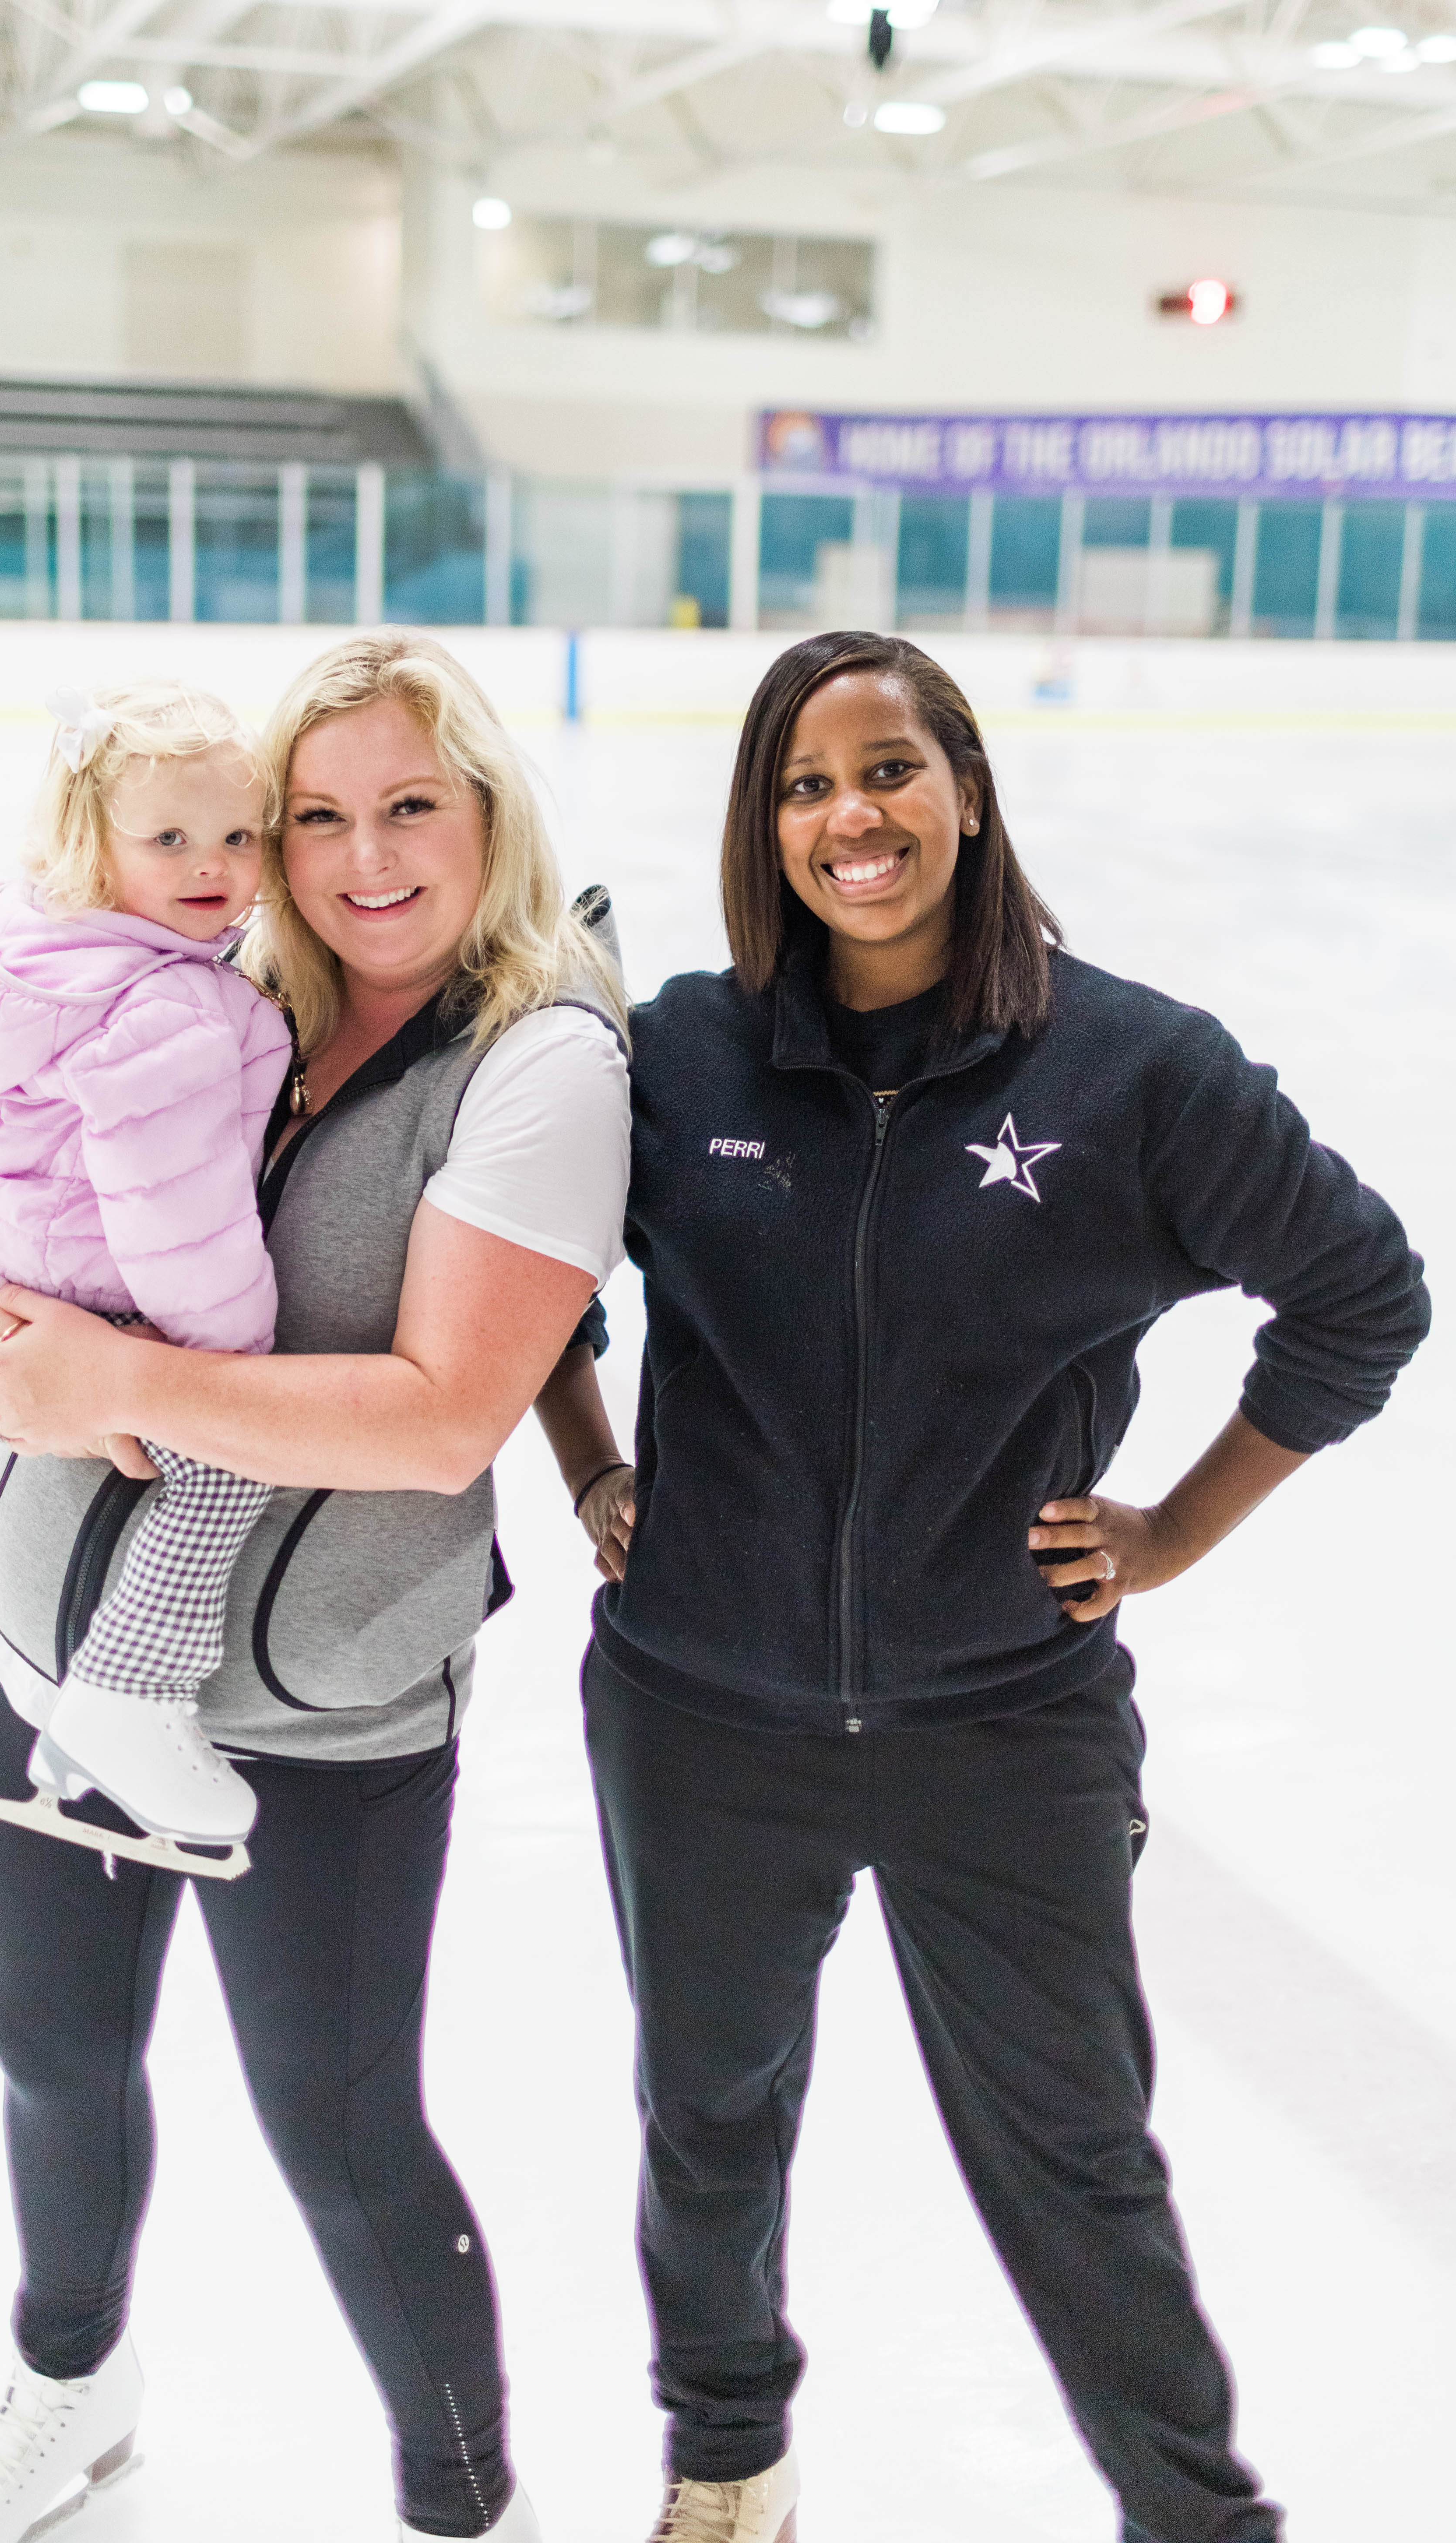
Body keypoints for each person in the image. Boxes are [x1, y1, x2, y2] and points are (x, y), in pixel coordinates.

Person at [540, 630, 1430, 2543]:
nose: (844, 818)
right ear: (757, 823)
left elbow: (1360, 1294)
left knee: (1074, 2160)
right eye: (799, 784)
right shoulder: (678, 1051)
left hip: (1000, 1729)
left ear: (964, 785)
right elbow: (514, 1264)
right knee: (707, 2129)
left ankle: (1191, 2518)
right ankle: (725, 2467)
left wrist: (1172, 1531)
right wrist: (594, 1462)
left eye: (882, 771)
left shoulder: (1132, 1074)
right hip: (699, 1719)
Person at [0, 633, 630, 2543]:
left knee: (340, 2129)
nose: (360, 856)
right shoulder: (212, 980)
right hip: (55, 1640)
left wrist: (121, 1378)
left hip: (320, 1702)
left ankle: (462, 2504)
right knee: (50, 2049)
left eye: (409, 807)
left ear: (486, 814)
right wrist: (5, 1350)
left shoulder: (534, 1062)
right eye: (317, 816)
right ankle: (71, 2390)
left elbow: (442, 1416)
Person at [0, 679, 293, 1864]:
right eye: (168, 838)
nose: (210, 863)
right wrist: (225, 1365)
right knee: (226, 1458)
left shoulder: (20, 940)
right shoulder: (175, 1000)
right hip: (100, 1260)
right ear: (96, 840)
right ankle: (127, 1693)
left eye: (237, 835)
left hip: (9, 1234)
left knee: (27, 1353)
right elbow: (173, 1205)